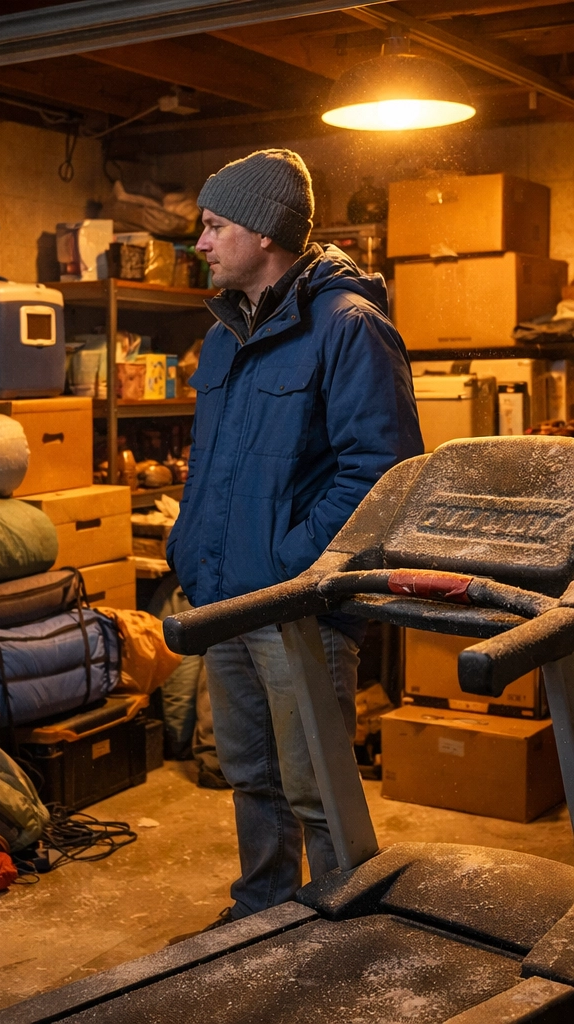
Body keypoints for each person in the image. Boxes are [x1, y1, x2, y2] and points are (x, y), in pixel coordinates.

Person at [166, 149, 422, 923]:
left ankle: (342, 925)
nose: (200, 244)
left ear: (264, 231)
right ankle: (265, 913)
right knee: (251, 774)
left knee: (316, 784)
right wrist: (191, 547)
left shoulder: (347, 327)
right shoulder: (222, 336)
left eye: (213, 227)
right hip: (225, 600)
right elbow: (208, 463)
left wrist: (289, 562)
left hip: (296, 607)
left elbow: (383, 474)